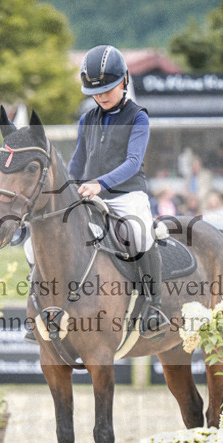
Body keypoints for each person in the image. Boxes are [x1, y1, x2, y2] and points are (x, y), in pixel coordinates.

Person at [68, 44, 167, 338]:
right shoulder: (87, 119)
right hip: (89, 194)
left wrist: (101, 183)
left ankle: (154, 305)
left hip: (126, 194)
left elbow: (133, 162)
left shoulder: (138, 117)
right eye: (95, 92)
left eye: (107, 89)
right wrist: (67, 186)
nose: (101, 96)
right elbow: (77, 161)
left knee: (140, 232)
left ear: (124, 80)